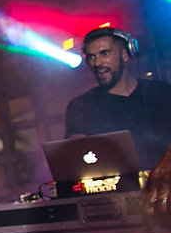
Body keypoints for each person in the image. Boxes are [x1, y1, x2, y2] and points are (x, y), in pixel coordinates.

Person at [64, 26, 171, 170]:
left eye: (105, 53)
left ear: (125, 55)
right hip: (118, 190)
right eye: (91, 56)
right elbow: (76, 157)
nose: (97, 63)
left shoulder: (162, 93)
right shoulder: (82, 106)